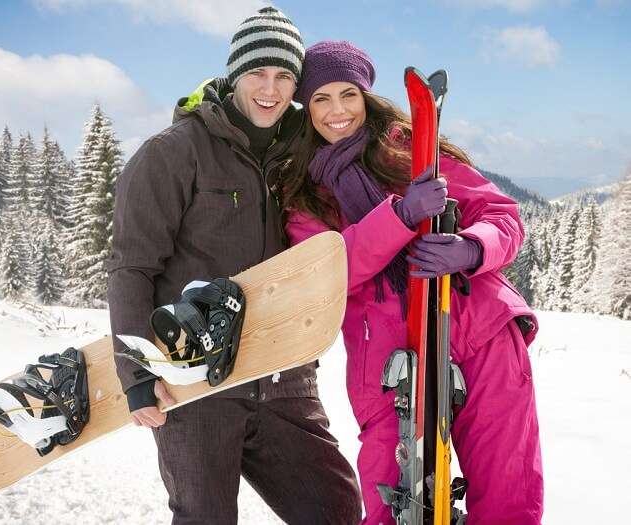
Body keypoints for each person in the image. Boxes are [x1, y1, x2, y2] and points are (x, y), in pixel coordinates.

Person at [106, 12, 362, 525]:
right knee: (205, 516)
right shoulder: (174, 153)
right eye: (258, 73)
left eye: (285, 76)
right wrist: (136, 371)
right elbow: (131, 266)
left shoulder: (303, 147)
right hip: (197, 384)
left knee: (335, 511)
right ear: (234, 72)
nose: (270, 89)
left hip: (285, 376)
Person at [283, 41, 544, 525]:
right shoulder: (305, 196)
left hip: (479, 330)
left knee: (508, 494)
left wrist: (473, 247)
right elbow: (326, 272)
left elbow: (502, 215)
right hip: (388, 364)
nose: (337, 110)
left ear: (366, 96)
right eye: (321, 98)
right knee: (392, 503)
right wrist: (400, 216)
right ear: (306, 107)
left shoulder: (408, 148)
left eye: (348, 95)